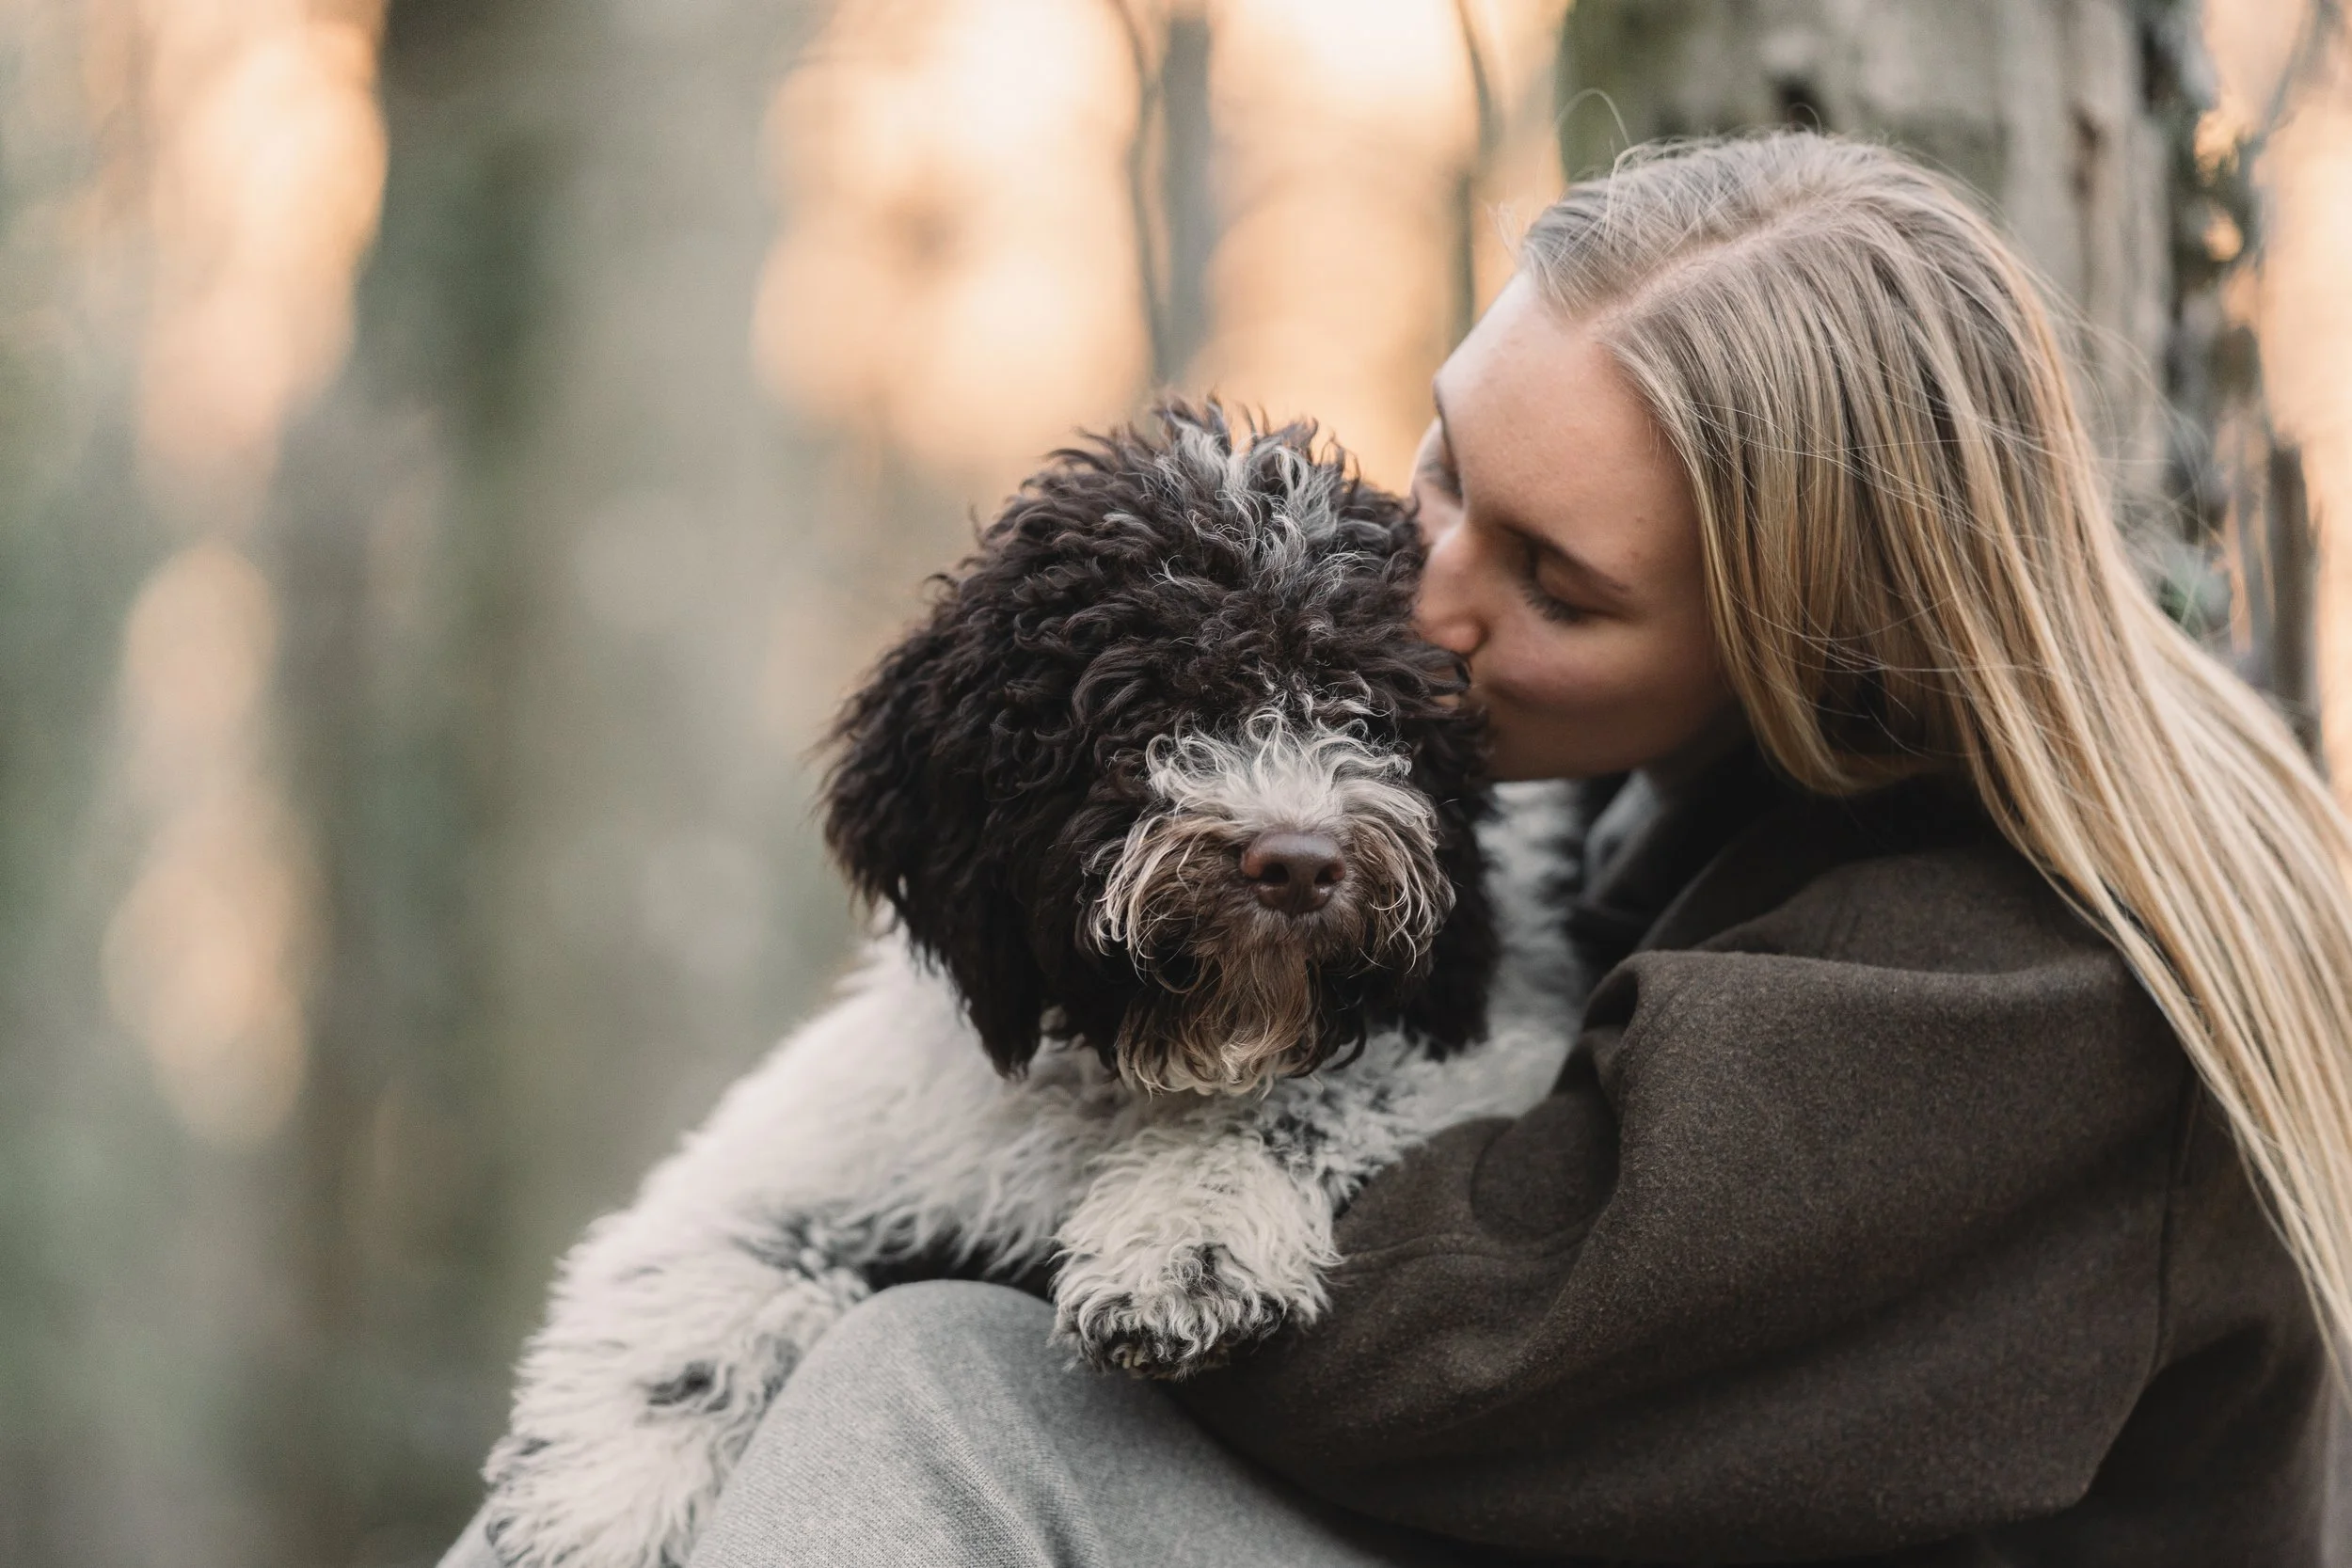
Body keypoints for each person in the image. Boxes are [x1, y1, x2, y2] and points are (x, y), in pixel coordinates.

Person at [444, 131, 2352, 1566]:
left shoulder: (2027, 991)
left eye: (1553, 581)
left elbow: (1454, 1355)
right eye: (1446, 465)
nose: (1414, 598)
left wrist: (921, 1193)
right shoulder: (1666, 782)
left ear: (1804, 638)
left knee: (930, 1394)